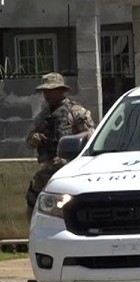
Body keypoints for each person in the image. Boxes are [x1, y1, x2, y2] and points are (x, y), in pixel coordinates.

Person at [25, 72, 95, 215]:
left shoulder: (76, 112)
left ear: (61, 91)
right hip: (49, 168)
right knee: (33, 197)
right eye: (45, 91)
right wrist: (35, 137)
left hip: (73, 167)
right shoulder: (43, 116)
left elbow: (90, 137)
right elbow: (29, 141)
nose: (47, 94)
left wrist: (67, 158)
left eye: (51, 90)